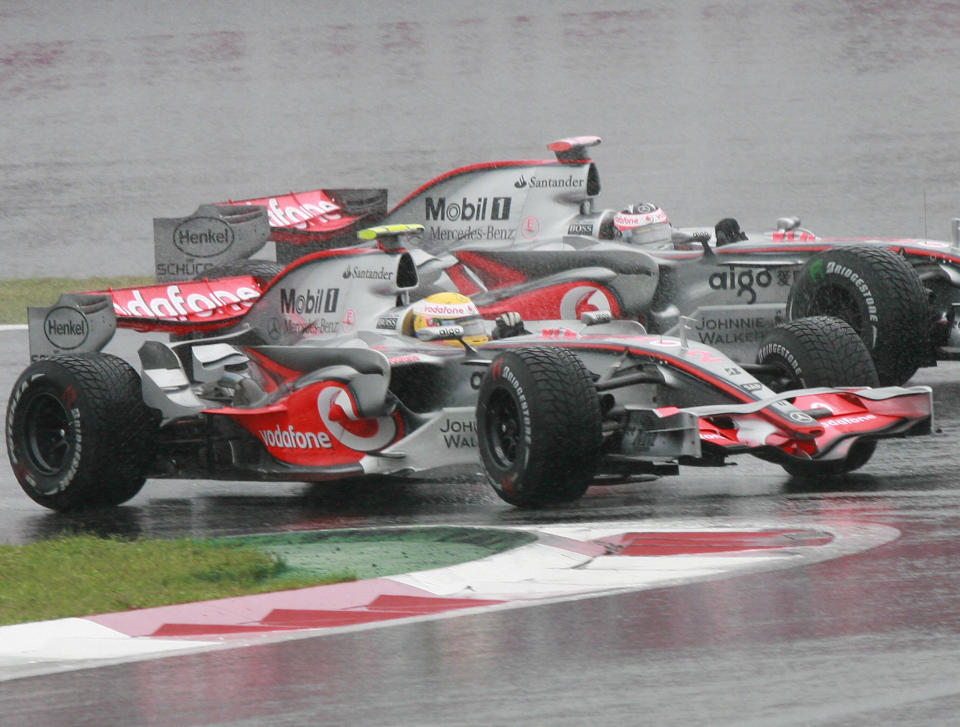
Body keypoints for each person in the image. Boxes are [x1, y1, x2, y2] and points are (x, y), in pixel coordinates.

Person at [402, 292, 527, 346]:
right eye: (463, 328)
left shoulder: (484, 342)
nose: (474, 336)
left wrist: (513, 338)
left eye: (473, 325)